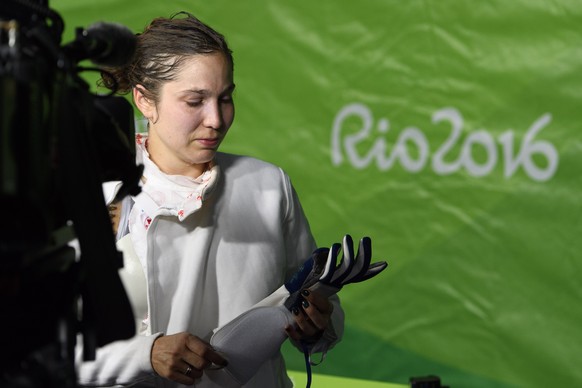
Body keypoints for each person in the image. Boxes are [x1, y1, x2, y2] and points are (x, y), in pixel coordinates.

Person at [76, 11, 344, 388]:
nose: (216, 119)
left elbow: (315, 298)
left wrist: (317, 325)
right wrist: (146, 354)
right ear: (144, 101)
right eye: (194, 101)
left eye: (225, 98)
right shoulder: (90, 193)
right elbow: (39, 347)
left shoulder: (269, 185)